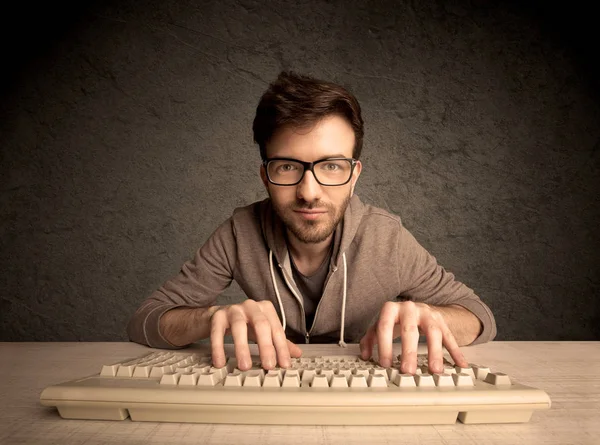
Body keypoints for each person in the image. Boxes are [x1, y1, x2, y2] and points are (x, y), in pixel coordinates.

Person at [127, 71, 496, 375]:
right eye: (288, 166)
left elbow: (480, 319)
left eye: (331, 166)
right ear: (265, 175)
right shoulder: (239, 232)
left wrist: (431, 315)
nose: (309, 191)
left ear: (354, 176)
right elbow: (146, 320)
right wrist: (211, 318)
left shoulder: (386, 238)